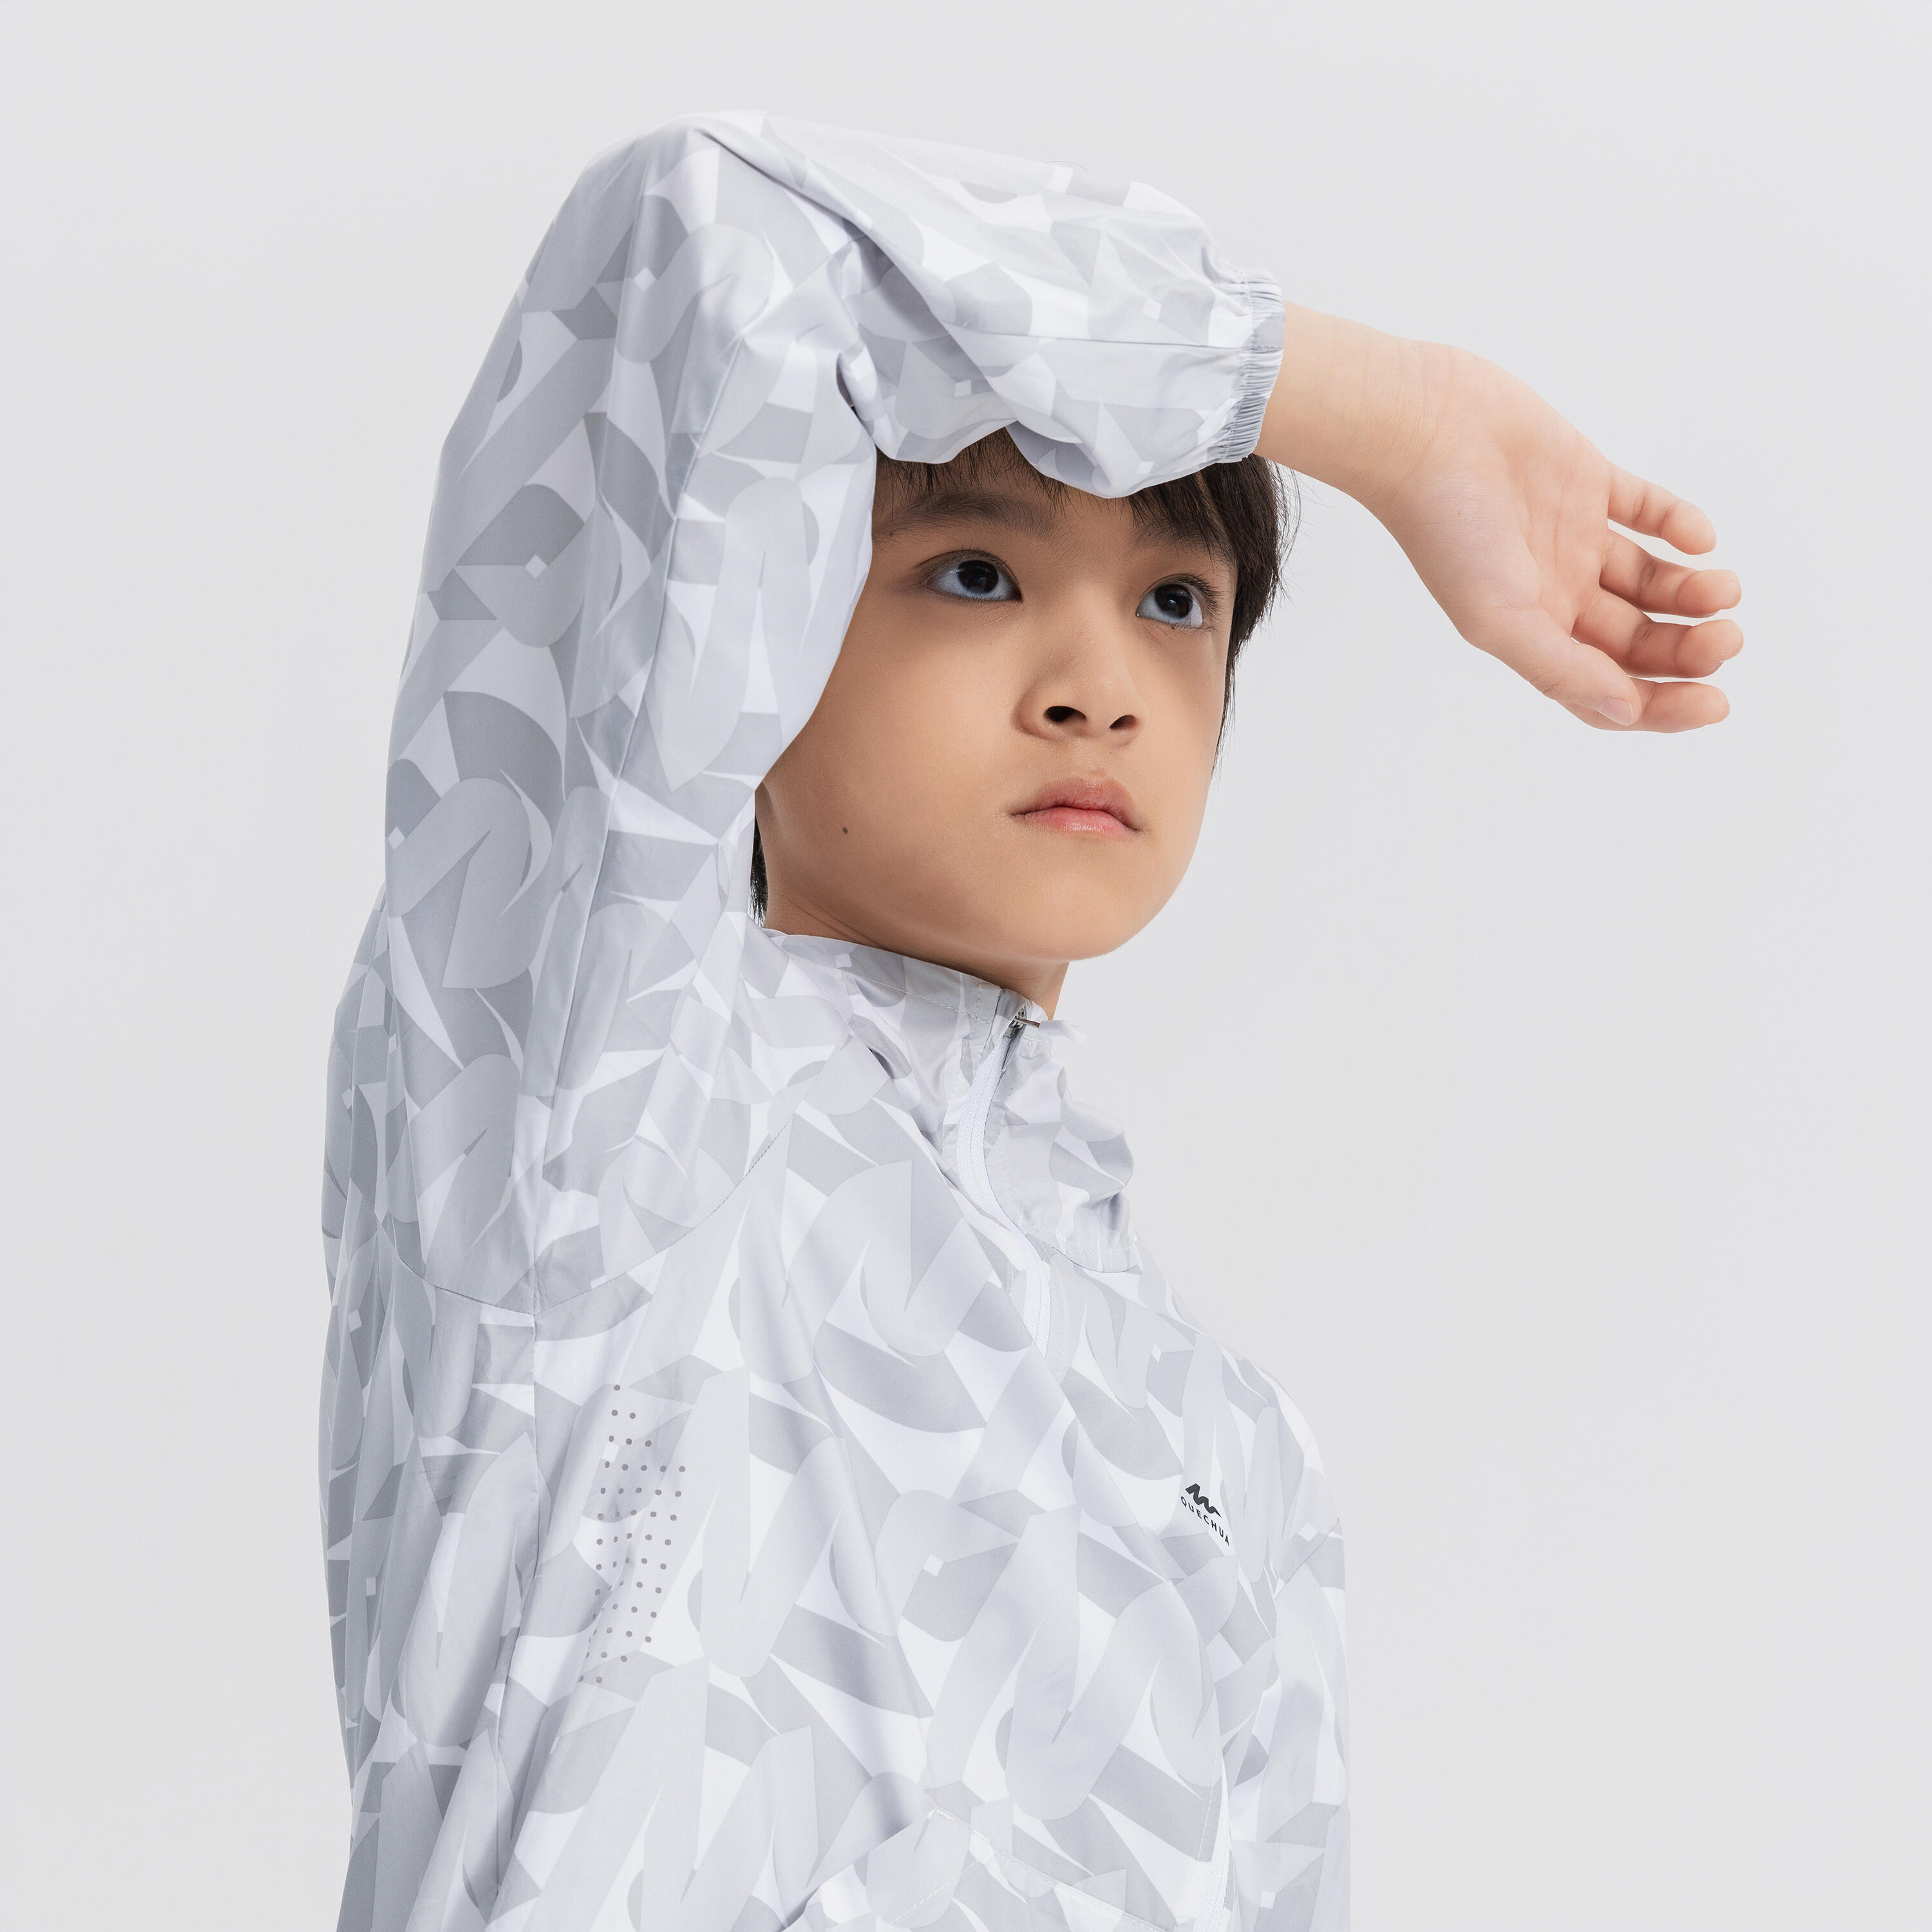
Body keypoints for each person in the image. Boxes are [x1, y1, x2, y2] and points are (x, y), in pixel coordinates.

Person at [319, 112, 1741, 1932]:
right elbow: (716, 240)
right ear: (756, 611)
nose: (1099, 690)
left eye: (1176, 602)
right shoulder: (601, 1103)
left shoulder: (1229, 1452)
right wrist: (1392, 416)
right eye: (977, 574)